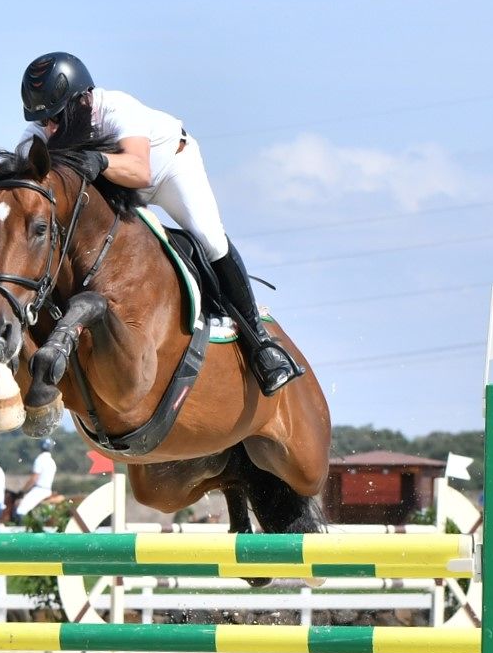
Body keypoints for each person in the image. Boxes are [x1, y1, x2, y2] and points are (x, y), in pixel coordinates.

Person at [17, 51, 302, 395]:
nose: (50, 129)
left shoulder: (117, 108)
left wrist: (98, 160)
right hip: (114, 182)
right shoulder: (41, 128)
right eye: (43, 120)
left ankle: (261, 344)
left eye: (56, 118)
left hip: (167, 170)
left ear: (82, 100)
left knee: (210, 239)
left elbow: (140, 170)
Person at [14, 438, 58, 523]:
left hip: (39, 490)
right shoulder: (52, 462)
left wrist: (23, 490)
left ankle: (21, 533)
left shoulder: (40, 459)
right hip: (48, 490)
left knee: (20, 511)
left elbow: (34, 478)